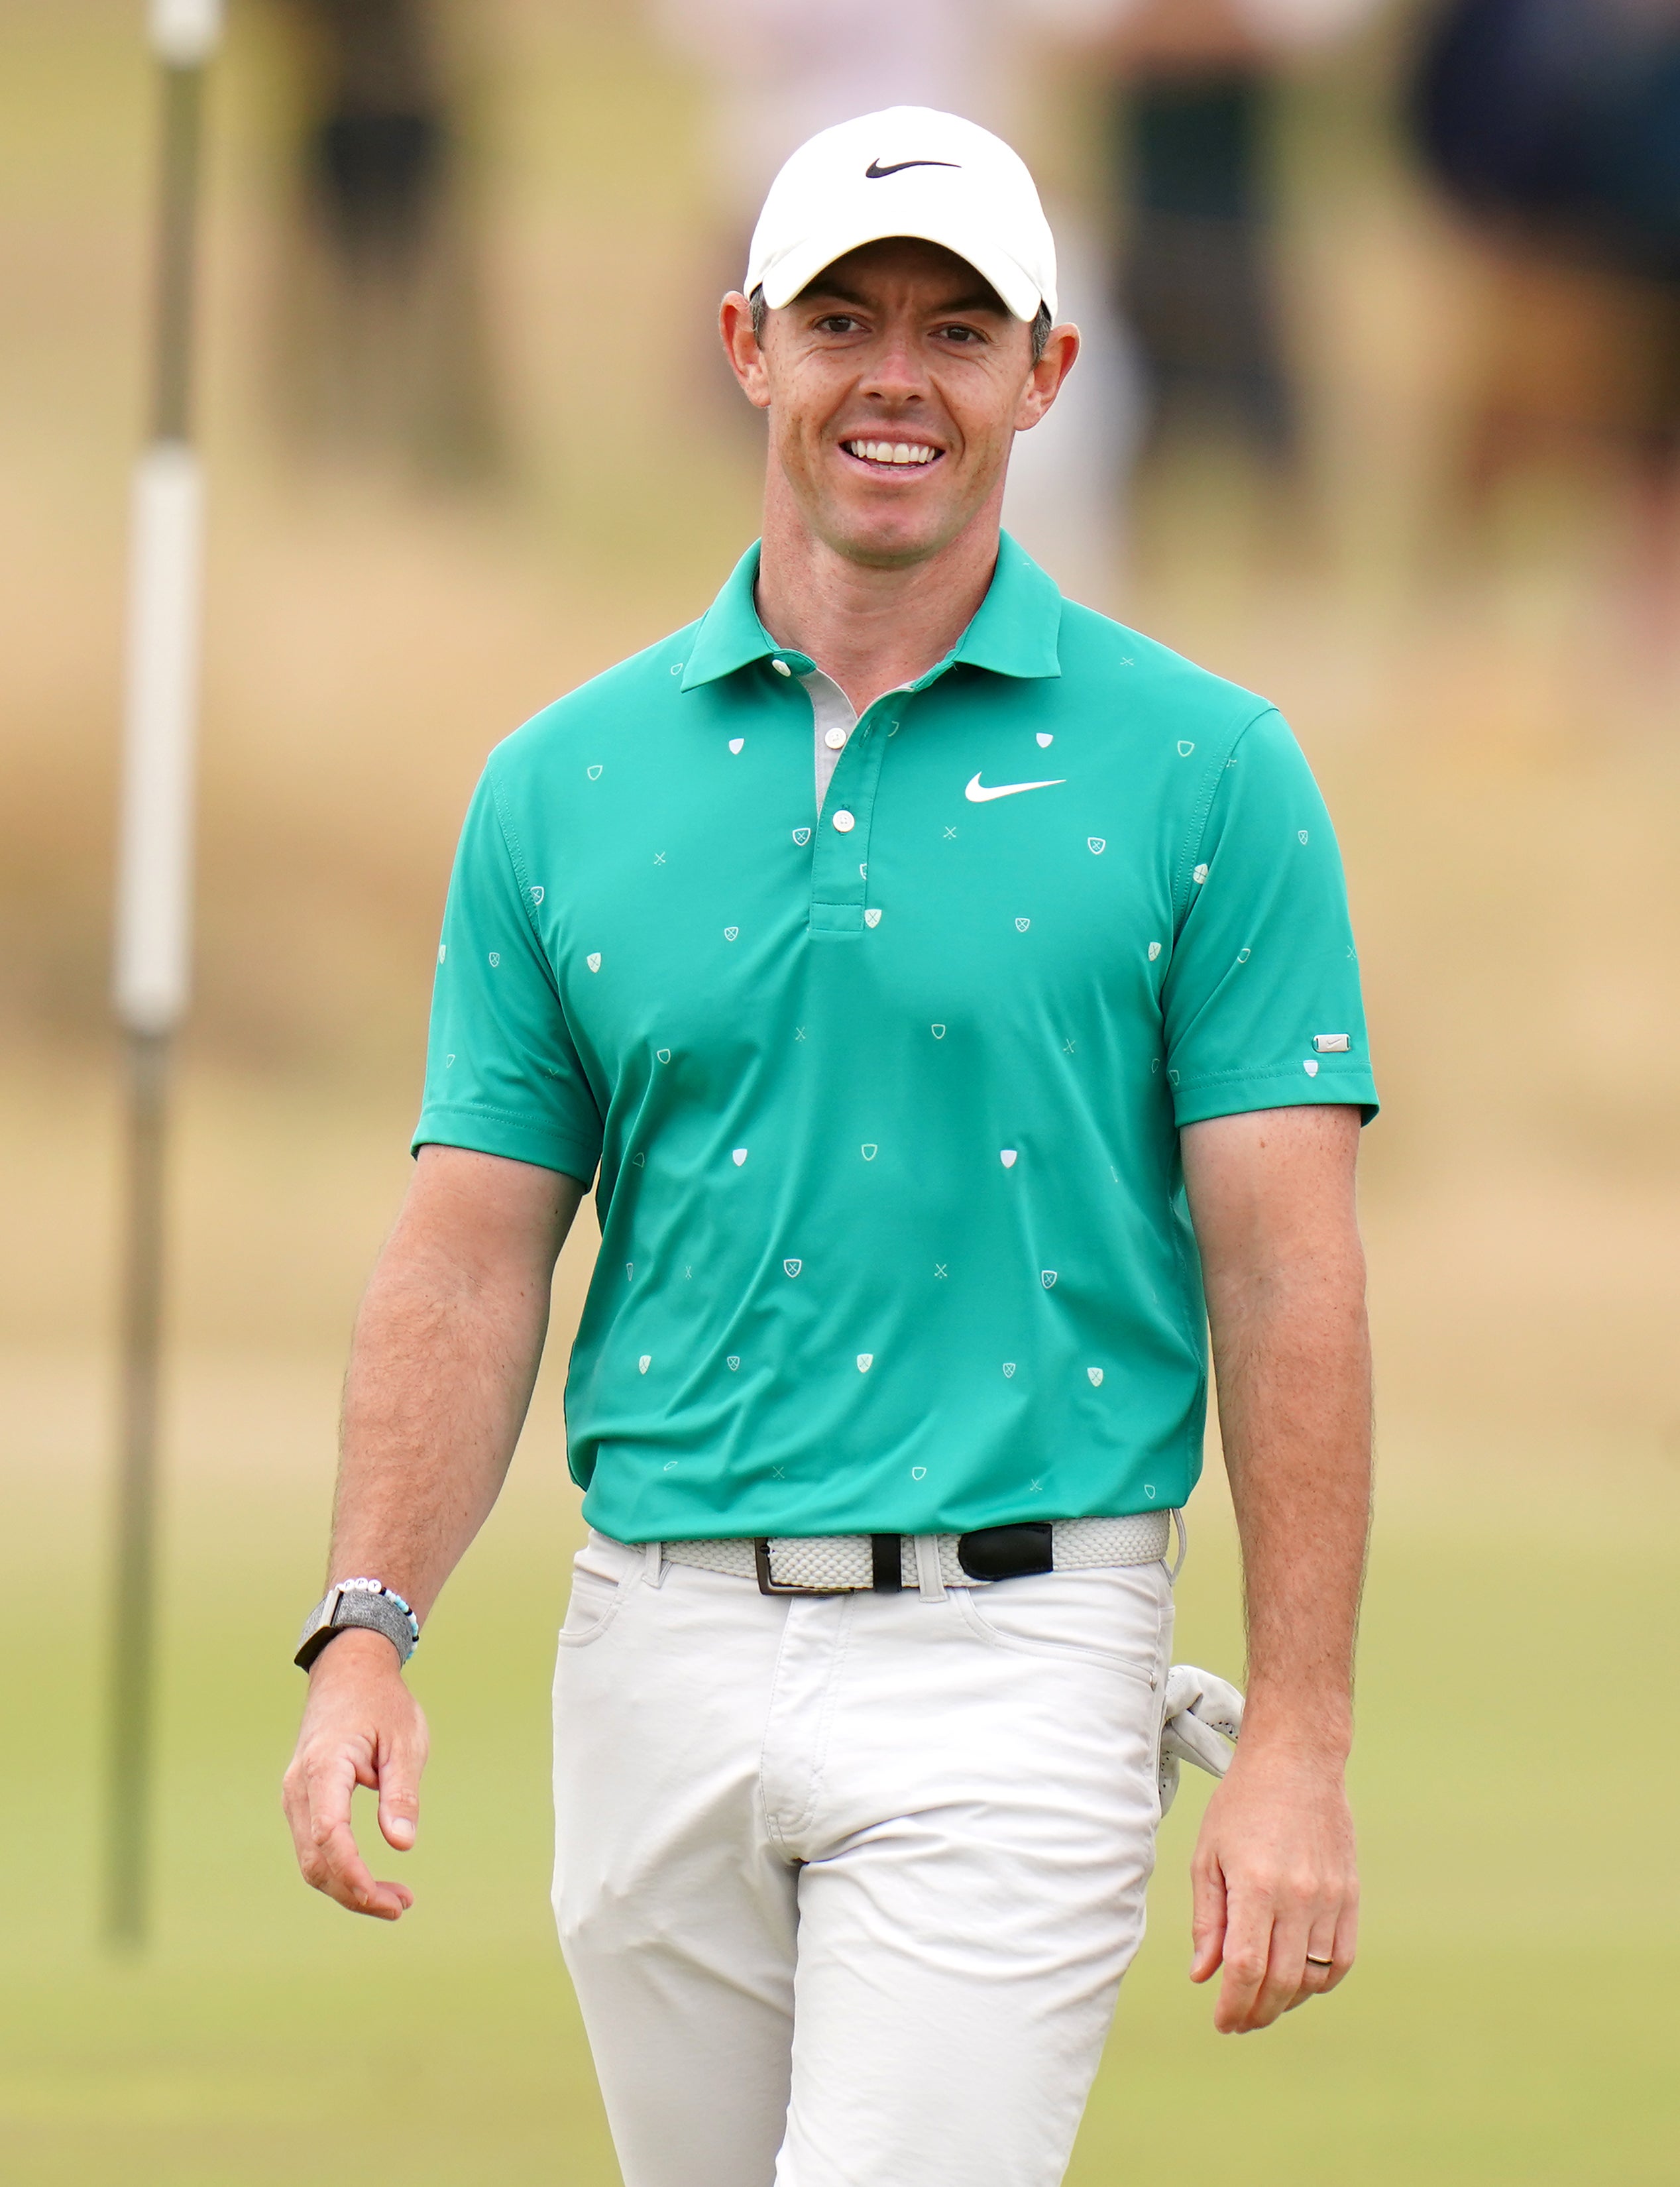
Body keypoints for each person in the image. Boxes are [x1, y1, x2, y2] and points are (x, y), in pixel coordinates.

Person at [282, 106, 1377, 2187]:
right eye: (842, 319)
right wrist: (366, 1626)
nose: (898, 376)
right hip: (654, 1652)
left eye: (959, 330)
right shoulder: (561, 783)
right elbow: (469, 1252)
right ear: (743, 346)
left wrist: (1303, 1743)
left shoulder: (1209, 770)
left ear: (1047, 374)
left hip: (1021, 1650)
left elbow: (1285, 1266)